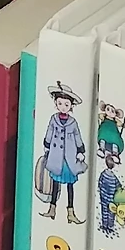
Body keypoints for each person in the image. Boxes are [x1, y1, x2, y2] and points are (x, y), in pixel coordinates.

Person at [40, 82, 86, 221]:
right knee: (55, 184)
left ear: (71, 106)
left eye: (66, 104)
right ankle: (52, 209)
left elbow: (77, 136)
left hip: (69, 158)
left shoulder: (73, 122)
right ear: (56, 103)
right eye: (60, 103)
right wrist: (47, 144)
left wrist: (80, 150)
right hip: (56, 156)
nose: (63, 107)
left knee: (70, 186)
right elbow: (49, 132)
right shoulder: (54, 119)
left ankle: (70, 212)